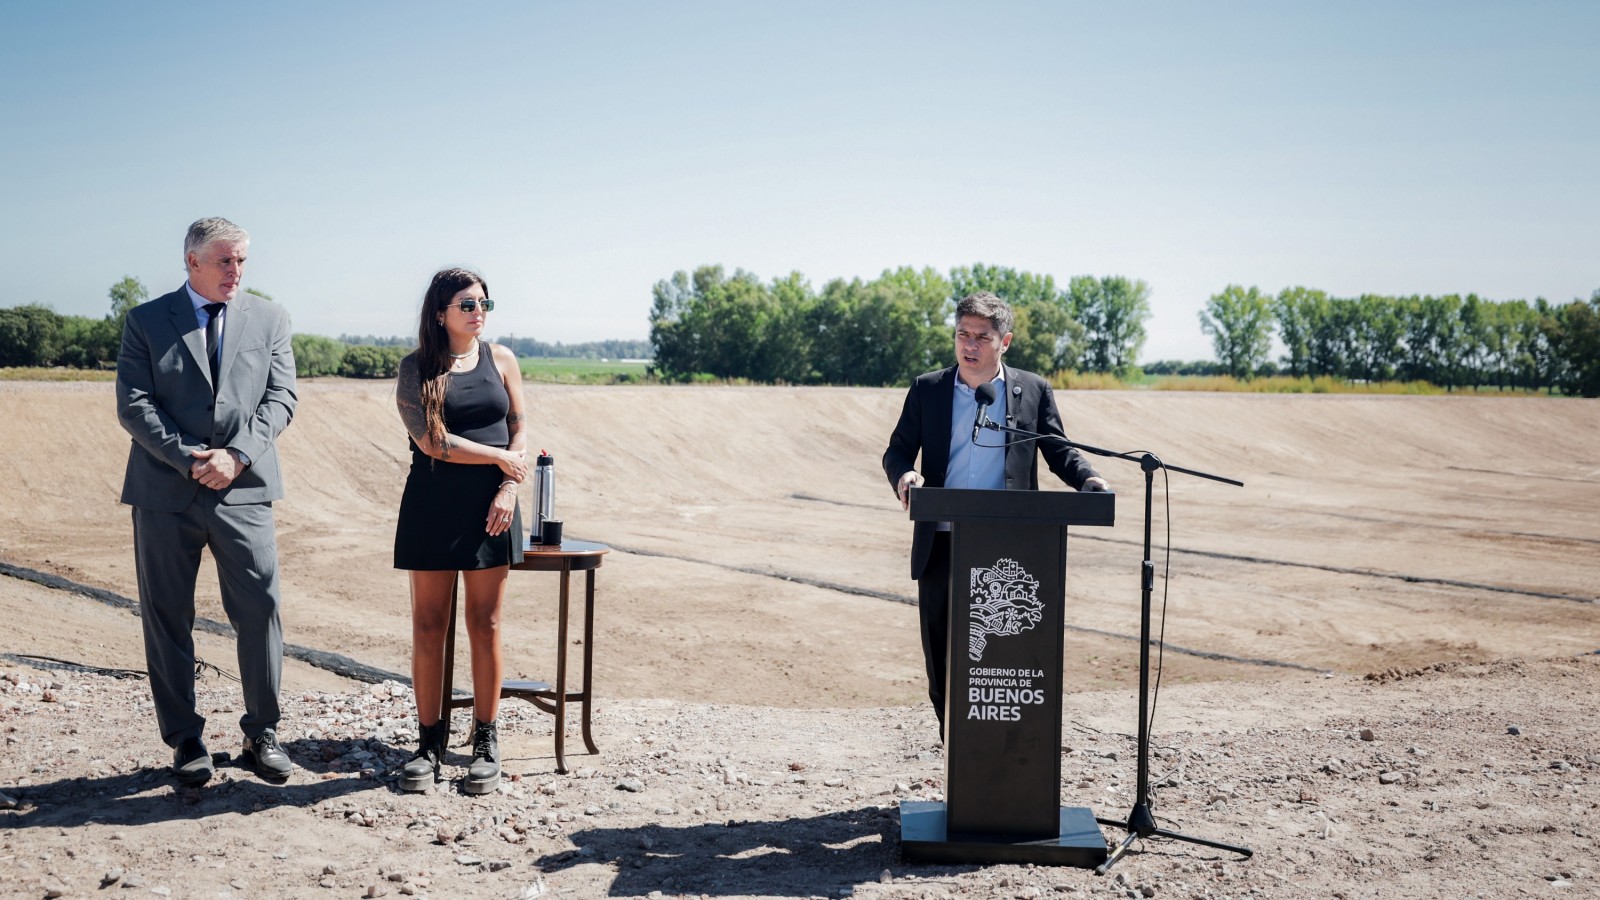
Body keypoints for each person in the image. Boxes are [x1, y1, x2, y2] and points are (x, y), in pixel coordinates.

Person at [115, 217, 298, 785]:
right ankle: (185, 739)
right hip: (166, 492)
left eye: (242, 260)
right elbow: (134, 404)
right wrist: (190, 457)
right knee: (167, 616)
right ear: (192, 262)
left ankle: (261, 733)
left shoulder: (269, 318)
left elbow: (281, 397)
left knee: (261, 608)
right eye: (225, 261)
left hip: (244, 489)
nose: (236, 271)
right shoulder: (145, 321)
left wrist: (236, 457)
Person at [881, 291, 1109, 739]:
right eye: (962, 334)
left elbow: (1058, 449)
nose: (969, 345)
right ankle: (957, 749)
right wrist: (906, 475)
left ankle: (1005, 756)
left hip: (1009, 555)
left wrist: (1089, 480)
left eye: (981, 337)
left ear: (1004, 342)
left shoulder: (1032, 390)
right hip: (942, 544)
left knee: (1005, 662)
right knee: (942, 660)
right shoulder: (928, 389)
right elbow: (898, 450)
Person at [393, 267, 529, 794]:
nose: (478, 312)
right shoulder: (415, 369)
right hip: (431, 503)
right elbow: (432, 442)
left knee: (486, 624)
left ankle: (485, 740)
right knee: (429, 626)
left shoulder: (503, 359)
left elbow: (518, 425)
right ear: (439, 313)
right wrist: (500, 459)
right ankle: (428, 743)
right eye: (467, 305)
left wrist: (508, 488)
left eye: (483, 303)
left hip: (492, 505)